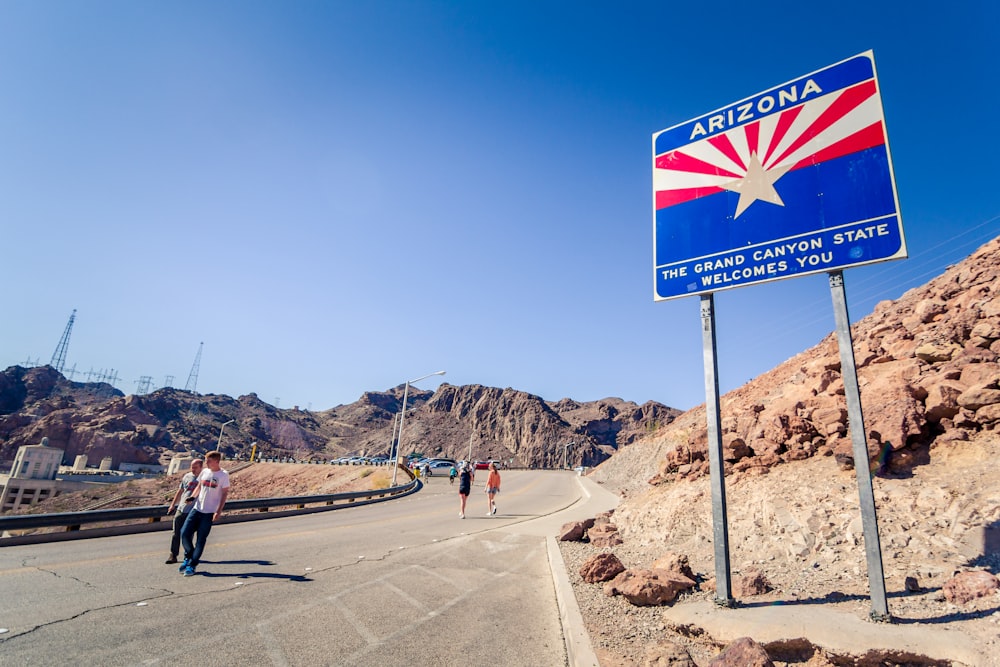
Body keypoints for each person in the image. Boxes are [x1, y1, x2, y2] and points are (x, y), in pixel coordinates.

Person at [179, 450, 230, 576]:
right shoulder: (205, 472)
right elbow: (199, 487)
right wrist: (192, 497)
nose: (206, 463)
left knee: (201, 540)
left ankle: (192, 565)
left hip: (209, 512)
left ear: (216, 461)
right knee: (184, 534)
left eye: (209, 461)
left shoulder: (223, 475)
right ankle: (189, 556)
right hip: (197, 509)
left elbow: (224, 494)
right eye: (206, 460)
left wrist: (218, 511)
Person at [165, 457, 203, 564]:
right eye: (192, 467)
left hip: (194, 511)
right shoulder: (187, 476)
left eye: (195, 467)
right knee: (176, 533)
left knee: (188, 535)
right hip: (181, 509)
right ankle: (173, 555)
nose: (193, 469)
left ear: (201, 467)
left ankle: (189, 556)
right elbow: (180, 491)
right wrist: (173, 505)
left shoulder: (204, 478)